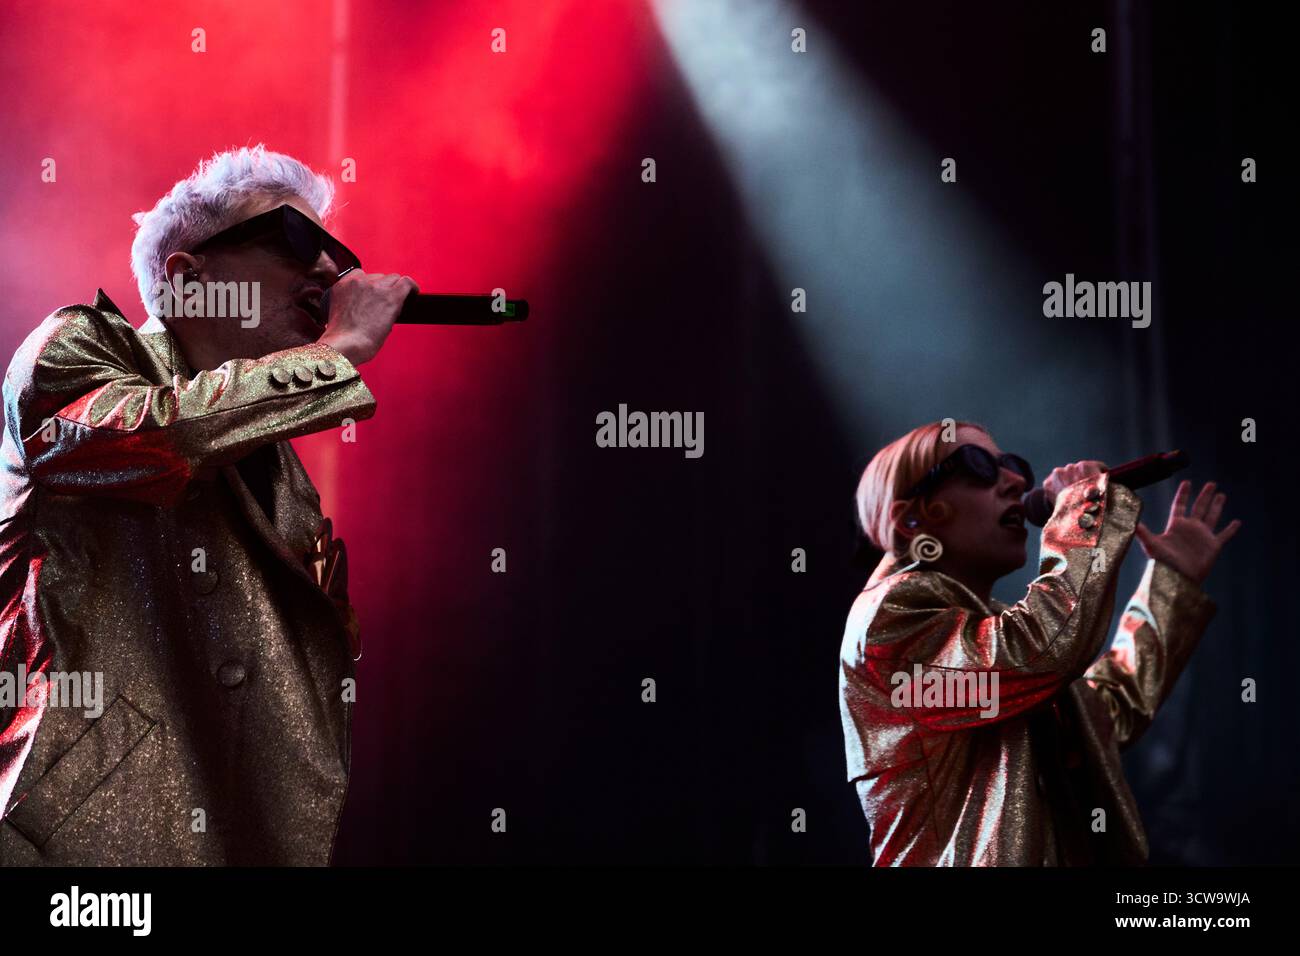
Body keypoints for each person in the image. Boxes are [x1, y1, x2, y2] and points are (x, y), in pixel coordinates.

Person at [0, 145, 417, 864]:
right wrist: (341, 350)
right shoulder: (77, 350)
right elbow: (155, 436)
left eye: (337, 252)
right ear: (189, 279)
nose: (329, 271)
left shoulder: (282, 471)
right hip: (74, 847)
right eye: (296, 241)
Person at [839, 420, 1241, 865]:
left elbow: (1101, 716)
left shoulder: (991, 631)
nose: (1016, 480)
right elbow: (1040, 655)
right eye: (977, 466)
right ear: (911, 517)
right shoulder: (889, 618)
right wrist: (1084, 510)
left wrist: (1171, 586)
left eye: (1013, 465)